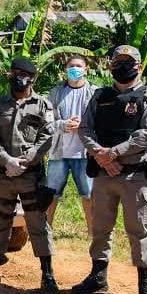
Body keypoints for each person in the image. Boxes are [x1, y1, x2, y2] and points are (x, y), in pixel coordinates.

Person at [72, 45, 147, 294]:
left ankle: (145, 283)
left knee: (139, 230)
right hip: (103, 175)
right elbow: (85, 129)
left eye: (128, 62)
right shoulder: (100, 96)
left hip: (135, 177)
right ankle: (98, 276)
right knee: (100, 228)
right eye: (118, 62)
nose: (122, 66)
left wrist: (113, 153)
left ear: (140, 67)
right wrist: (101, 155)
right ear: (110, 65)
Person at [0, 57, 58, 291]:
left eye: (23, 73)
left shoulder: (43, 105)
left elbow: (47, 136)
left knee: (37, 223)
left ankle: (47, 274)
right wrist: (7, 161)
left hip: (30, 175)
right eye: (14, 72)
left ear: (32, 78)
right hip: (3, 175)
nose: (18, 77)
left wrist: (26, 160)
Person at [46, 55, 97, 233]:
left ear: (86, 70)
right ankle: (46, 231)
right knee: (51, 194)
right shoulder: (55, 93)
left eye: (79, 66)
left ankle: (93, 232)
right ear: (65, 69)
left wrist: (82, 125)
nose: (75, 69)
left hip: (85, 153)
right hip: (58, 153)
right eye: (71, 66)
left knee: (89, 195)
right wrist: (63, 124)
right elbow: (45, 122)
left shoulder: (94, 93)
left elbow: (101, 121)